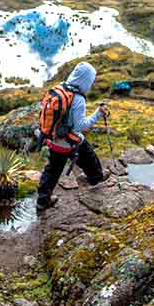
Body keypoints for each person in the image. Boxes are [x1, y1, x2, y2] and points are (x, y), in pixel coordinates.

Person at [36, 62, 109, 213]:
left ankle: (42, 201)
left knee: (52, 171)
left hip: (53, 138)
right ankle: (96, 180)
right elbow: (80, 127)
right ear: (86, 80)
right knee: (89, 156)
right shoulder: (78, 99)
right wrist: (98, 113)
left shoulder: (60, 88)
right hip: (69, 142)